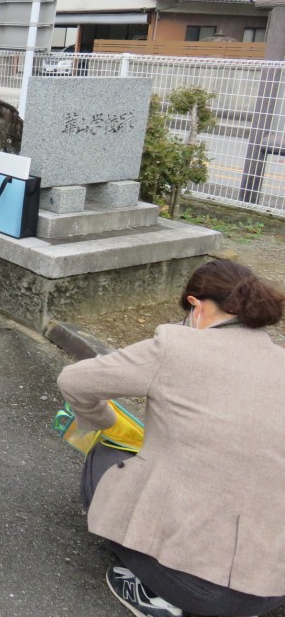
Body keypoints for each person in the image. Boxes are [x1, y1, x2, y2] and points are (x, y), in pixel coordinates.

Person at [57, 259, 285, 617]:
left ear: (195, 305)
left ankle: (155, 593)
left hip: (192, 586)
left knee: (105, 453)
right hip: (271, 589)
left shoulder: (175, 347)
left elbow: (74, 380)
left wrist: (103, 420)